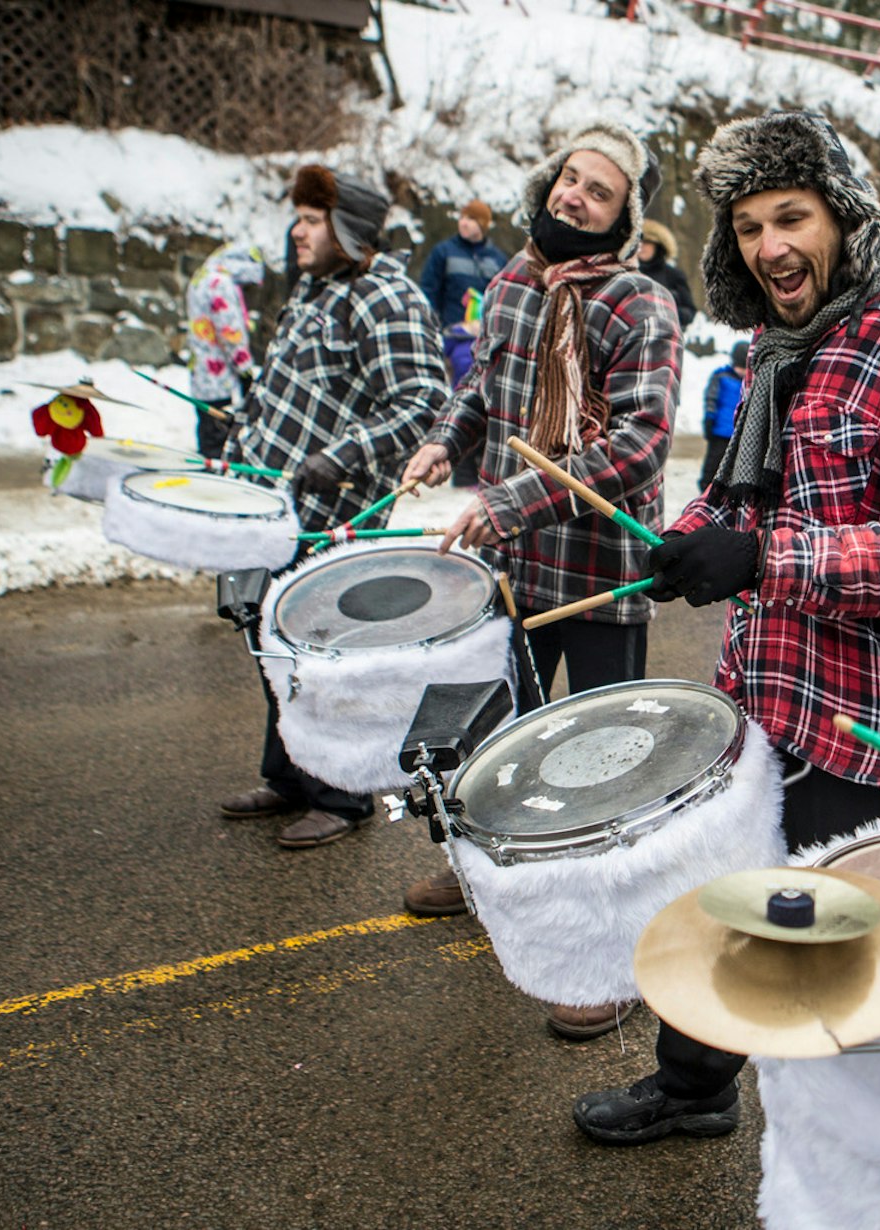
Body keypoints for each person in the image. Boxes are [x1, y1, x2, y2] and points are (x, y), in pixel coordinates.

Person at [571, 110, 880, 1145]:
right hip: (766, 692)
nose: (770, 246)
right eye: (750, 227)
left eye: (791, 217)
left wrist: (766, 560)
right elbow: (742, 500)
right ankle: (695, 1086)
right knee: (733, 898)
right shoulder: (780, 348)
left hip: (870, 723)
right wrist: (685, 541)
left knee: (852, 958)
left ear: (844, 218)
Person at [396, 123, 682, 1038]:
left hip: (598, 567)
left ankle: (615, 956)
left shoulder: (641, 304)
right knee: (497, 742)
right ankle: (491, 876)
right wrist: (446, 440)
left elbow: (639, 446)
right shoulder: (512, 282)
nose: (575, 198)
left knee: (603, 770)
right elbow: (484, 390)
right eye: (570, 179)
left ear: (623, 214)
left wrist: (511, 499)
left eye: (599, 190)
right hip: (510, 562)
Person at [218, 165, 449, 849]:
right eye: (298, 218)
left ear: (346, 229)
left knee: (316, 656)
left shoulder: (385, 297)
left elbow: (422, 403)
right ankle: (291, 776)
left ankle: (343, 796)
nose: (297, 230)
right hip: (272, 506)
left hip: (333, 511)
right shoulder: (314, 292)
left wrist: (339, 458)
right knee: (271, 640)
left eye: (312, 220)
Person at [183, 241, 267, 460]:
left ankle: (206, 466)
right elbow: (230, 332)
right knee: (218, 434)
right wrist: (245, 370)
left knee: (207, 427)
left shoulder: (203, 276)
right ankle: (212, 480)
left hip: (201, 369)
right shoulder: (220, 283)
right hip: (218, 374)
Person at [419, 199, 508, 329]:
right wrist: (433, 326)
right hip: (450, 333)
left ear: (483, 224)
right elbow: (428, 292)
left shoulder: (497, 259)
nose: (464, 223)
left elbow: (502, 299)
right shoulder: (443, 252)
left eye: (471, 219)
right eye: (462, 218)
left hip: (482, 335)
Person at [699, 339, 746, 489]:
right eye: (739, 367)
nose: (741, 371)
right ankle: (705, 488)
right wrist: (709, 418)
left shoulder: (749, 382)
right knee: (713, 465)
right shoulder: (721, 376)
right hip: (719, 432)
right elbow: (711, 398)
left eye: (744, 368)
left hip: (738, 435)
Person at [637, 218, 697, 328]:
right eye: (639, 242)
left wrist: (667, 311)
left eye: (648, 242)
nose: (642, 247)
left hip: (668, 336)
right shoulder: (628, 273)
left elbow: (690, 312)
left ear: (659, 245)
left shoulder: (674, 275)